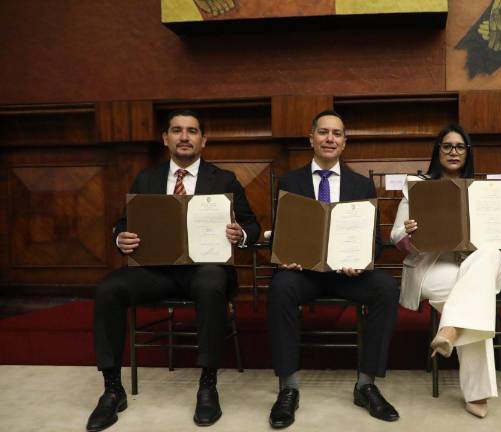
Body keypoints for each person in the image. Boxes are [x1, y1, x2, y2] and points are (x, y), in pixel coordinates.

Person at [87, 109, 260, 431]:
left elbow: (252, 224)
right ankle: (112, 390)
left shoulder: (223, 179)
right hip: (155, 271)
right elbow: (123, 224)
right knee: (109, 289)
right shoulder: (146, 179)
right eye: (177, 130)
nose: (184, 136)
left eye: (192, 131)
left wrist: (242, 233)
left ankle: (207, 385)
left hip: (205, 269)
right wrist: (120, 237)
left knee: (210, 283)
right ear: (165, 138)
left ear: (203, 140)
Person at [266, 110, 400, 429]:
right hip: (303, 273)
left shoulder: (361, 184)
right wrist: (285, 255)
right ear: (311, 138)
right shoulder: (290, 181)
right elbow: (281, 233)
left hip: (346, 275)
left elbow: (375, 243)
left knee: (385, 287)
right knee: (281, 285)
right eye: (323, 132)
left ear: (344, 142)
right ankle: (288, 388)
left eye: (336, 134)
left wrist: (362, 261)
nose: (330, 138)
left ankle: (366, 385)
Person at [390, 124, 501, 418]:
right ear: (438, 151)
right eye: (447, 146)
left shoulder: (483, 190)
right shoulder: (418, 187)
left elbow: (500, 240)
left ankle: (449, 330)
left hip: (481, 265)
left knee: (488, 256)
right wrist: (408, 232)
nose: (453, 152)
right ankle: (476, 391)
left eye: (460, 146)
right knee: (476, 299)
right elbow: (395, 235)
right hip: (434, 267)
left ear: (468, 152)